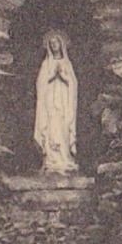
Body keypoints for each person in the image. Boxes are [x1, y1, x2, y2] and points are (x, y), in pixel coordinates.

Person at [34, 29, 78, 173]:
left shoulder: (67, 63)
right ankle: (51, 161)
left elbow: (73, 84)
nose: (54, 45)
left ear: (61, 45)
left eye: (56, 43)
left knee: (63, 129)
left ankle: (65, 159)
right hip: (50, 103)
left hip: (64, 103)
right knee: (52, 129)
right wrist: (52, 76)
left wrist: (64, 78)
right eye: (51, 43)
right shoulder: (46, 64)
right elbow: (40, 84)